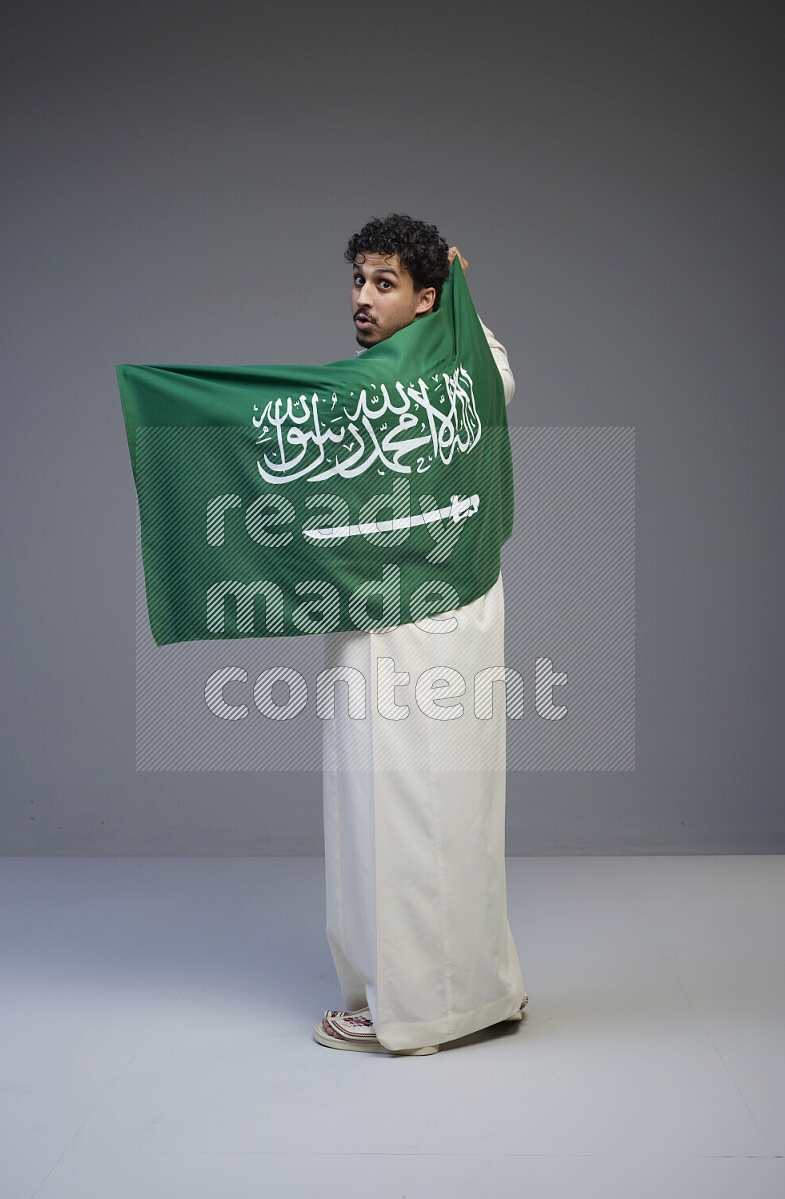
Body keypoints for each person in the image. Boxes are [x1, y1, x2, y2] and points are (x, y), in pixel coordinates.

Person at [314, 214, 528, 1055]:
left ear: (428, 298)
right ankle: (482, 993)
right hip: (450, 620)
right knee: (452, 805)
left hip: (407, 627)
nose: (363, 298)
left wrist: (458, 302)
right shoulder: (466, 371)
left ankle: (410, 1010)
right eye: (358, 280)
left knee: (397, 807)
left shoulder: (392, 392)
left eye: (385, 282)